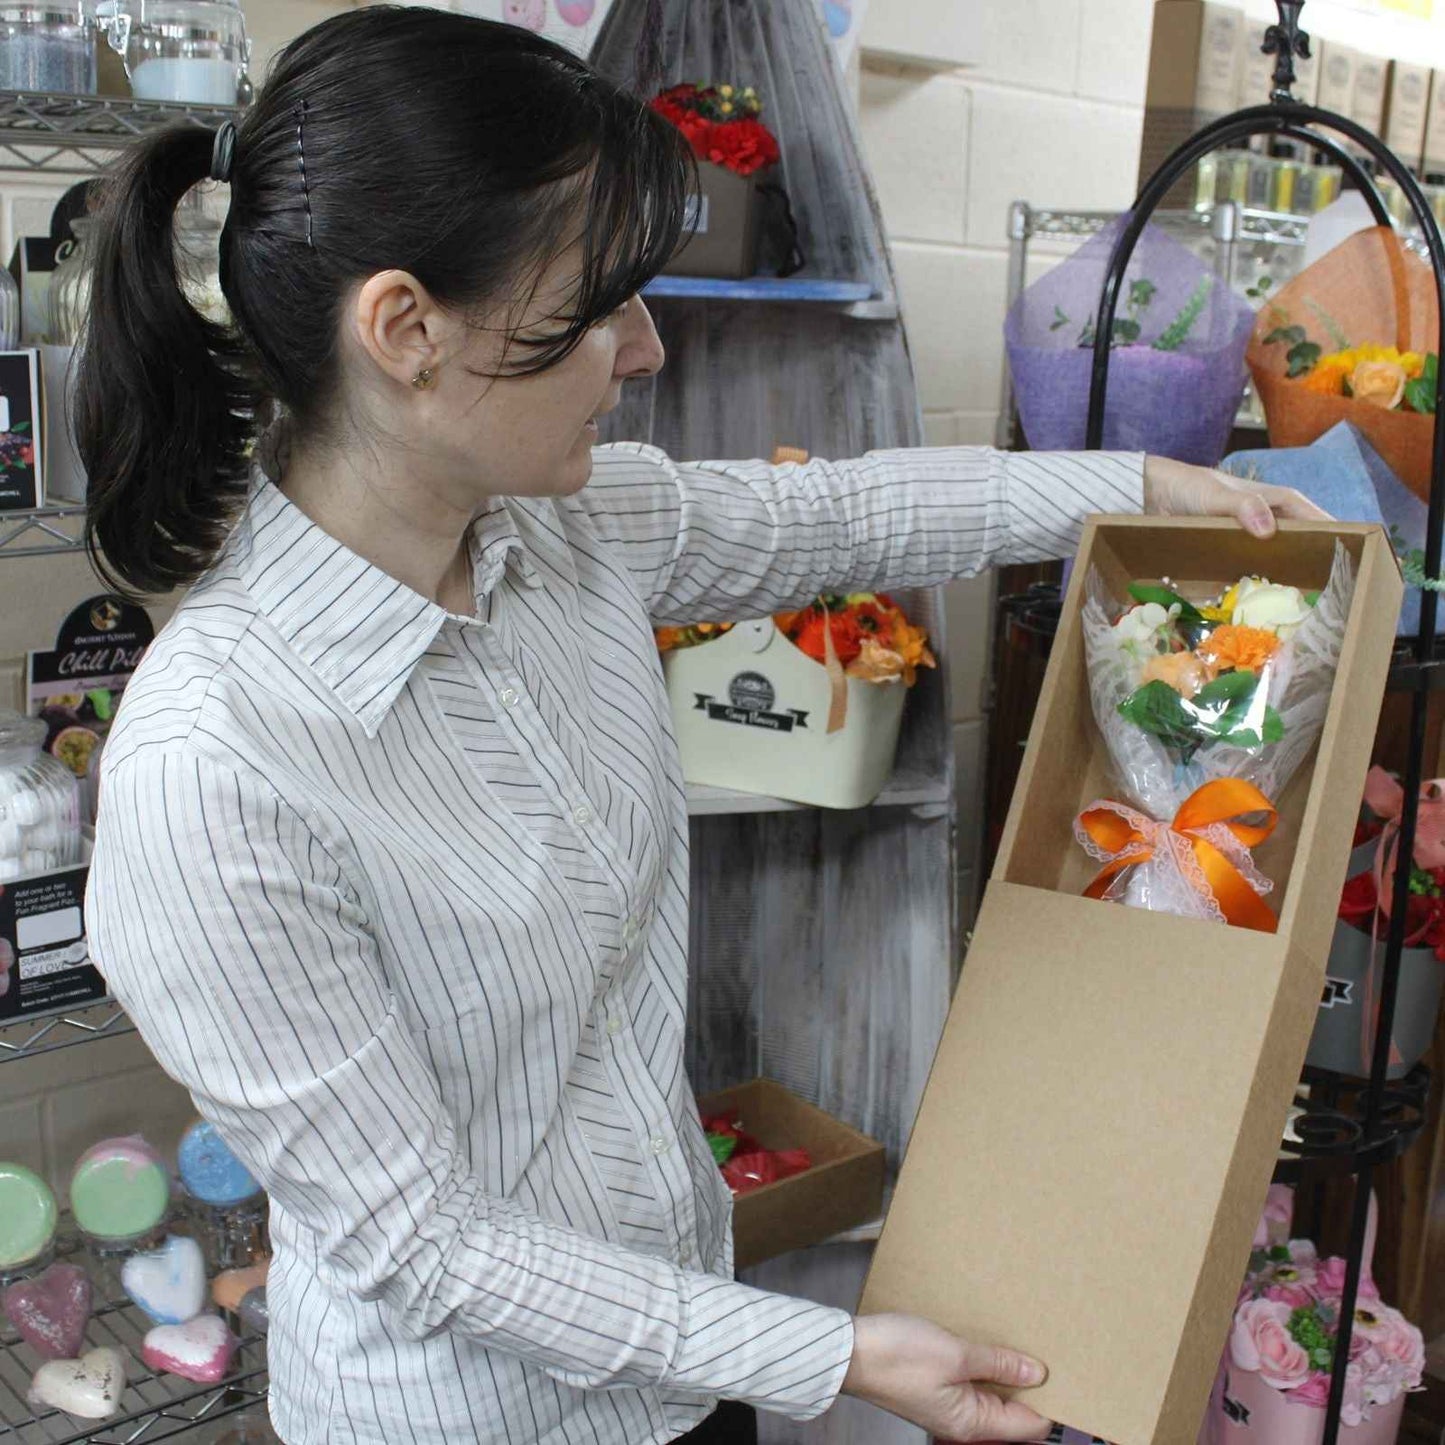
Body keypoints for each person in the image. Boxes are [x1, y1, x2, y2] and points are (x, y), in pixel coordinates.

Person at [76, 9, 1323, 1445]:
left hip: (685, 1381)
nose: (646, 347)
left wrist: (1143, 488)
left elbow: (838, 513)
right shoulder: (214, 766)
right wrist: (826, 1353)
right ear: (407, 329)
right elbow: (425, 1242)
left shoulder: (562, 534)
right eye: (598, 302)